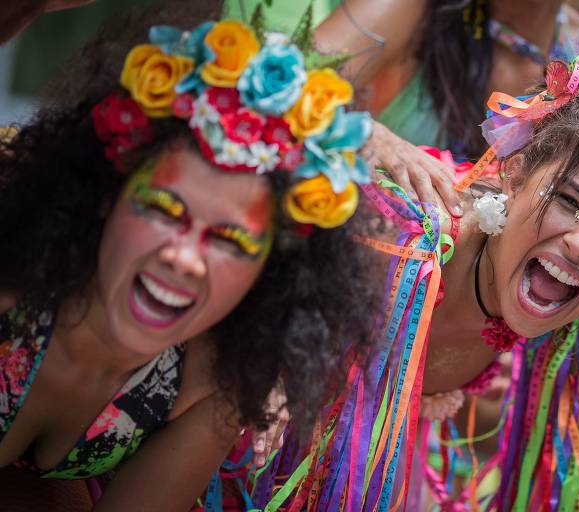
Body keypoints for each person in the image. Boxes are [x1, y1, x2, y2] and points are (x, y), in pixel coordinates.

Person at [248, 18, 579, 511]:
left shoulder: (570, 319)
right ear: (514, 173)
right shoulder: (397, 236)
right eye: (571, 202)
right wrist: (353, 130)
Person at [0, 1, 384, 510]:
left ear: (268, 275)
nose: (184, 257)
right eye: (163, 209)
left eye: (231, 241)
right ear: (104, 198)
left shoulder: (212, 383)